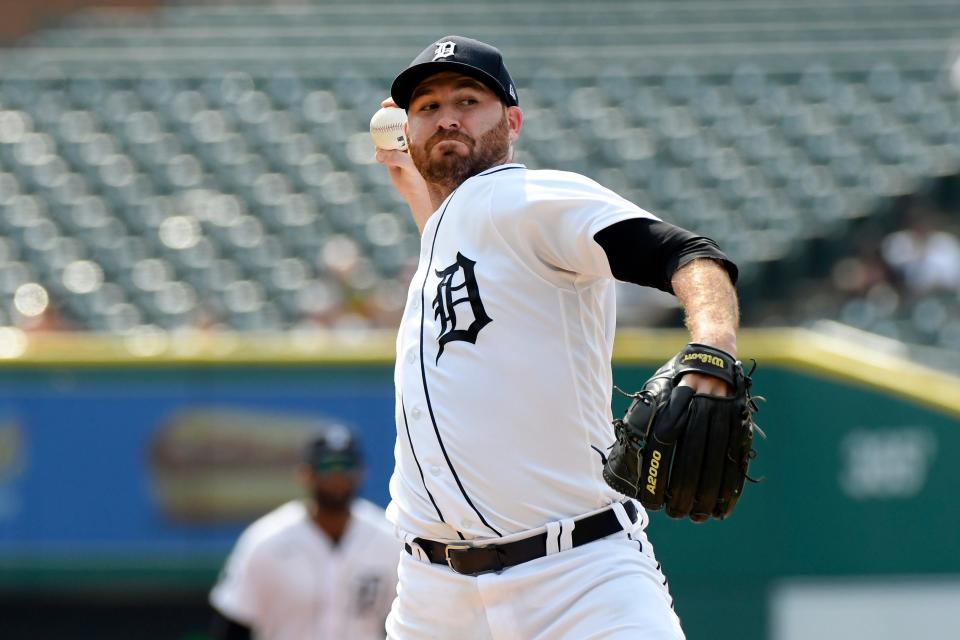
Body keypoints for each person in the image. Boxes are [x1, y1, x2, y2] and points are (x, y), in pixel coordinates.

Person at [375, 35, 740, 639]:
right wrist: (411, 178)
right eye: (428, 108)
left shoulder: (529, 198)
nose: (448, 118)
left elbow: (689, 254)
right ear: (407, 131)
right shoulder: (445, 235)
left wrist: (714, 350)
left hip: (577, 583)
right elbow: (460, 236)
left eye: (469, 101)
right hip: (432, 599)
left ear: (512, 121)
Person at [209, 425, 401, 640]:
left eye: (346, 466)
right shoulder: (266, 540)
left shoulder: (389, 540)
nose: (337, 475)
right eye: (327, 466)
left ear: (361, 473)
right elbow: (234, 624)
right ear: (306, 474)